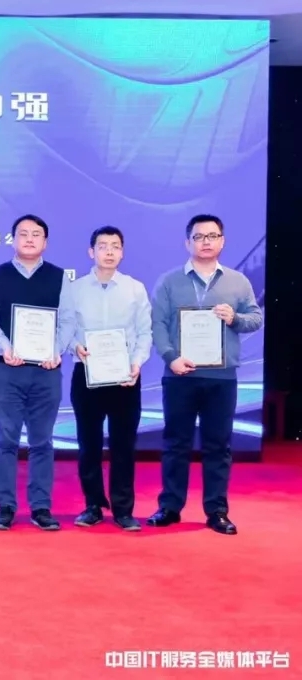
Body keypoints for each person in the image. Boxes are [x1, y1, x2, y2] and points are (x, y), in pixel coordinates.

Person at [147, 214, 262, 535]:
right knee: (176, 443)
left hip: (221, 377)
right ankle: (170, 507)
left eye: (212, 236)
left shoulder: (238, 282)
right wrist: (171, 358)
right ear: (188, 242)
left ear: (222, 241)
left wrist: (235, 318)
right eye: (199, 237)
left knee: (218, 446)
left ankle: (217, 510)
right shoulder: (169, 281)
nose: (206, 242)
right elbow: (157, 324)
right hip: (179, 375)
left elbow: (255, 318)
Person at [0, 214, 76, 531]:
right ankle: (5, 506)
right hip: (7, 370)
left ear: (45, 242)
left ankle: (41, 507)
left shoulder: (59, 277)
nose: (30, 239)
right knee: (6, 441)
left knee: (42, 442)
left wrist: (55, 350)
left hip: (46, 371)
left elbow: (67, 320)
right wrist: (5, 347)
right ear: (13, 240)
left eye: (36, 234)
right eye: (23, 234)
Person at [69, 226, 151, 532]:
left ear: (122, 252)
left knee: (123, 445)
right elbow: (65, 329)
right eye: (102, 246)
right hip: (86, 374)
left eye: (115, 246)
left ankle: (123, 509)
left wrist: (137, 362)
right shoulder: (74, 289)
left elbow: (145, 332)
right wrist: (74, 345)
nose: (109, 251)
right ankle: (92, 505)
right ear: (91, 252)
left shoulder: (135, 289)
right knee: (88, 444)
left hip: (124, 377)